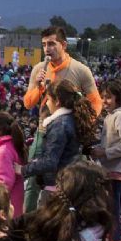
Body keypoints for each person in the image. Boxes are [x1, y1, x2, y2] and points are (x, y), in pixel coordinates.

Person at [22, 26, 102, 212]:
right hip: (43, 133)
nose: (47, 49)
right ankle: (28, 221)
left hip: (68, 138)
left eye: (52, 43)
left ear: (64, 45)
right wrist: (39, 87)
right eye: (44, 45)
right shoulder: (38, 70)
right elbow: (28, 103)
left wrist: (82, 125)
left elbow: (96, 103)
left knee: (67, 181)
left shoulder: (80, 70)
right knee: (33, 183)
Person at [23, 79, 96, 205]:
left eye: (49, 100)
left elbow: (50, 162)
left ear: (57, 101)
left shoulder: (60, 125)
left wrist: (23, 169)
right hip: (68, 181)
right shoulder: (72, 119)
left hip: (57, 185)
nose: (47, 104)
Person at [90, 80, 121, 241]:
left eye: (108, 97)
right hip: (113, 170)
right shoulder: (114, 115)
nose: (104, 101)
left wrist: (104, 152)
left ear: (119, 97)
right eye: (103, 97)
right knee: (112, 210)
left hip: (116, 172)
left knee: (113, 212)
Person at [0, 112, 26, 218]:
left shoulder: (3, 151)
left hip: (5, 205)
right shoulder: (11, 145)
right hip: (13, 201)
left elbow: (4, 182)